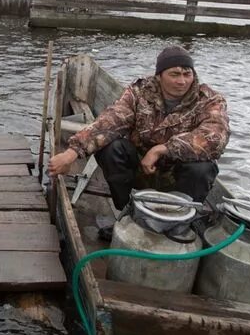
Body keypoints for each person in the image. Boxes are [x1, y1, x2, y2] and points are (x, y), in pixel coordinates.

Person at [48, 46, 230, 213]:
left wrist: (162, 149)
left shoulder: (208, 100)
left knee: (203, 168)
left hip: (178, 178)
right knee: (112, 147)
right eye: (174, 74)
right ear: (159, 75)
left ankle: (179, 218)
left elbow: (215, 137)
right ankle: (126, 211)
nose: (182, 81)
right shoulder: (140, 92)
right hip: (140, 171)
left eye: (187, 74)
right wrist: (72, 153)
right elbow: (111, 120)